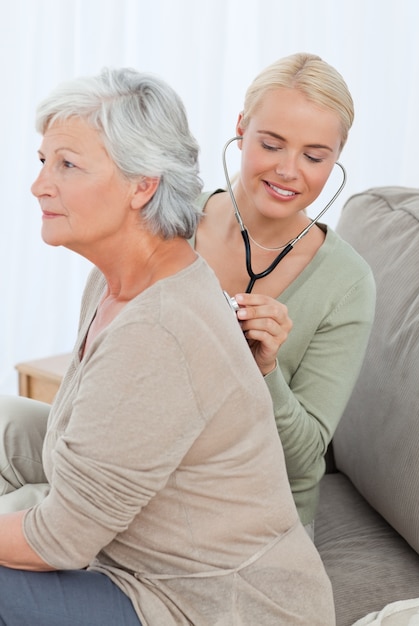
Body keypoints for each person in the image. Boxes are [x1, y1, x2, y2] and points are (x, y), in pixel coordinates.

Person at [0, 68, 336, 625]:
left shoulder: (159, 329)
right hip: (144, 564)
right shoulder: (121, 280)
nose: (40, 185)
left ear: (142, 185)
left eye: (68, 165)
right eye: (44, 161)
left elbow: (57, 540)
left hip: (217, 608)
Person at [192, 53, 376, 538]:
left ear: (337, 156)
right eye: (272, 144)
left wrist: (265, 370)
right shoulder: (170, 221)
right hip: (148, 465)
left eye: (314, 156)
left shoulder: (347, 283)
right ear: (240, 127)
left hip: (255, 508)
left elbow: (302, 455)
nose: (289, 170)